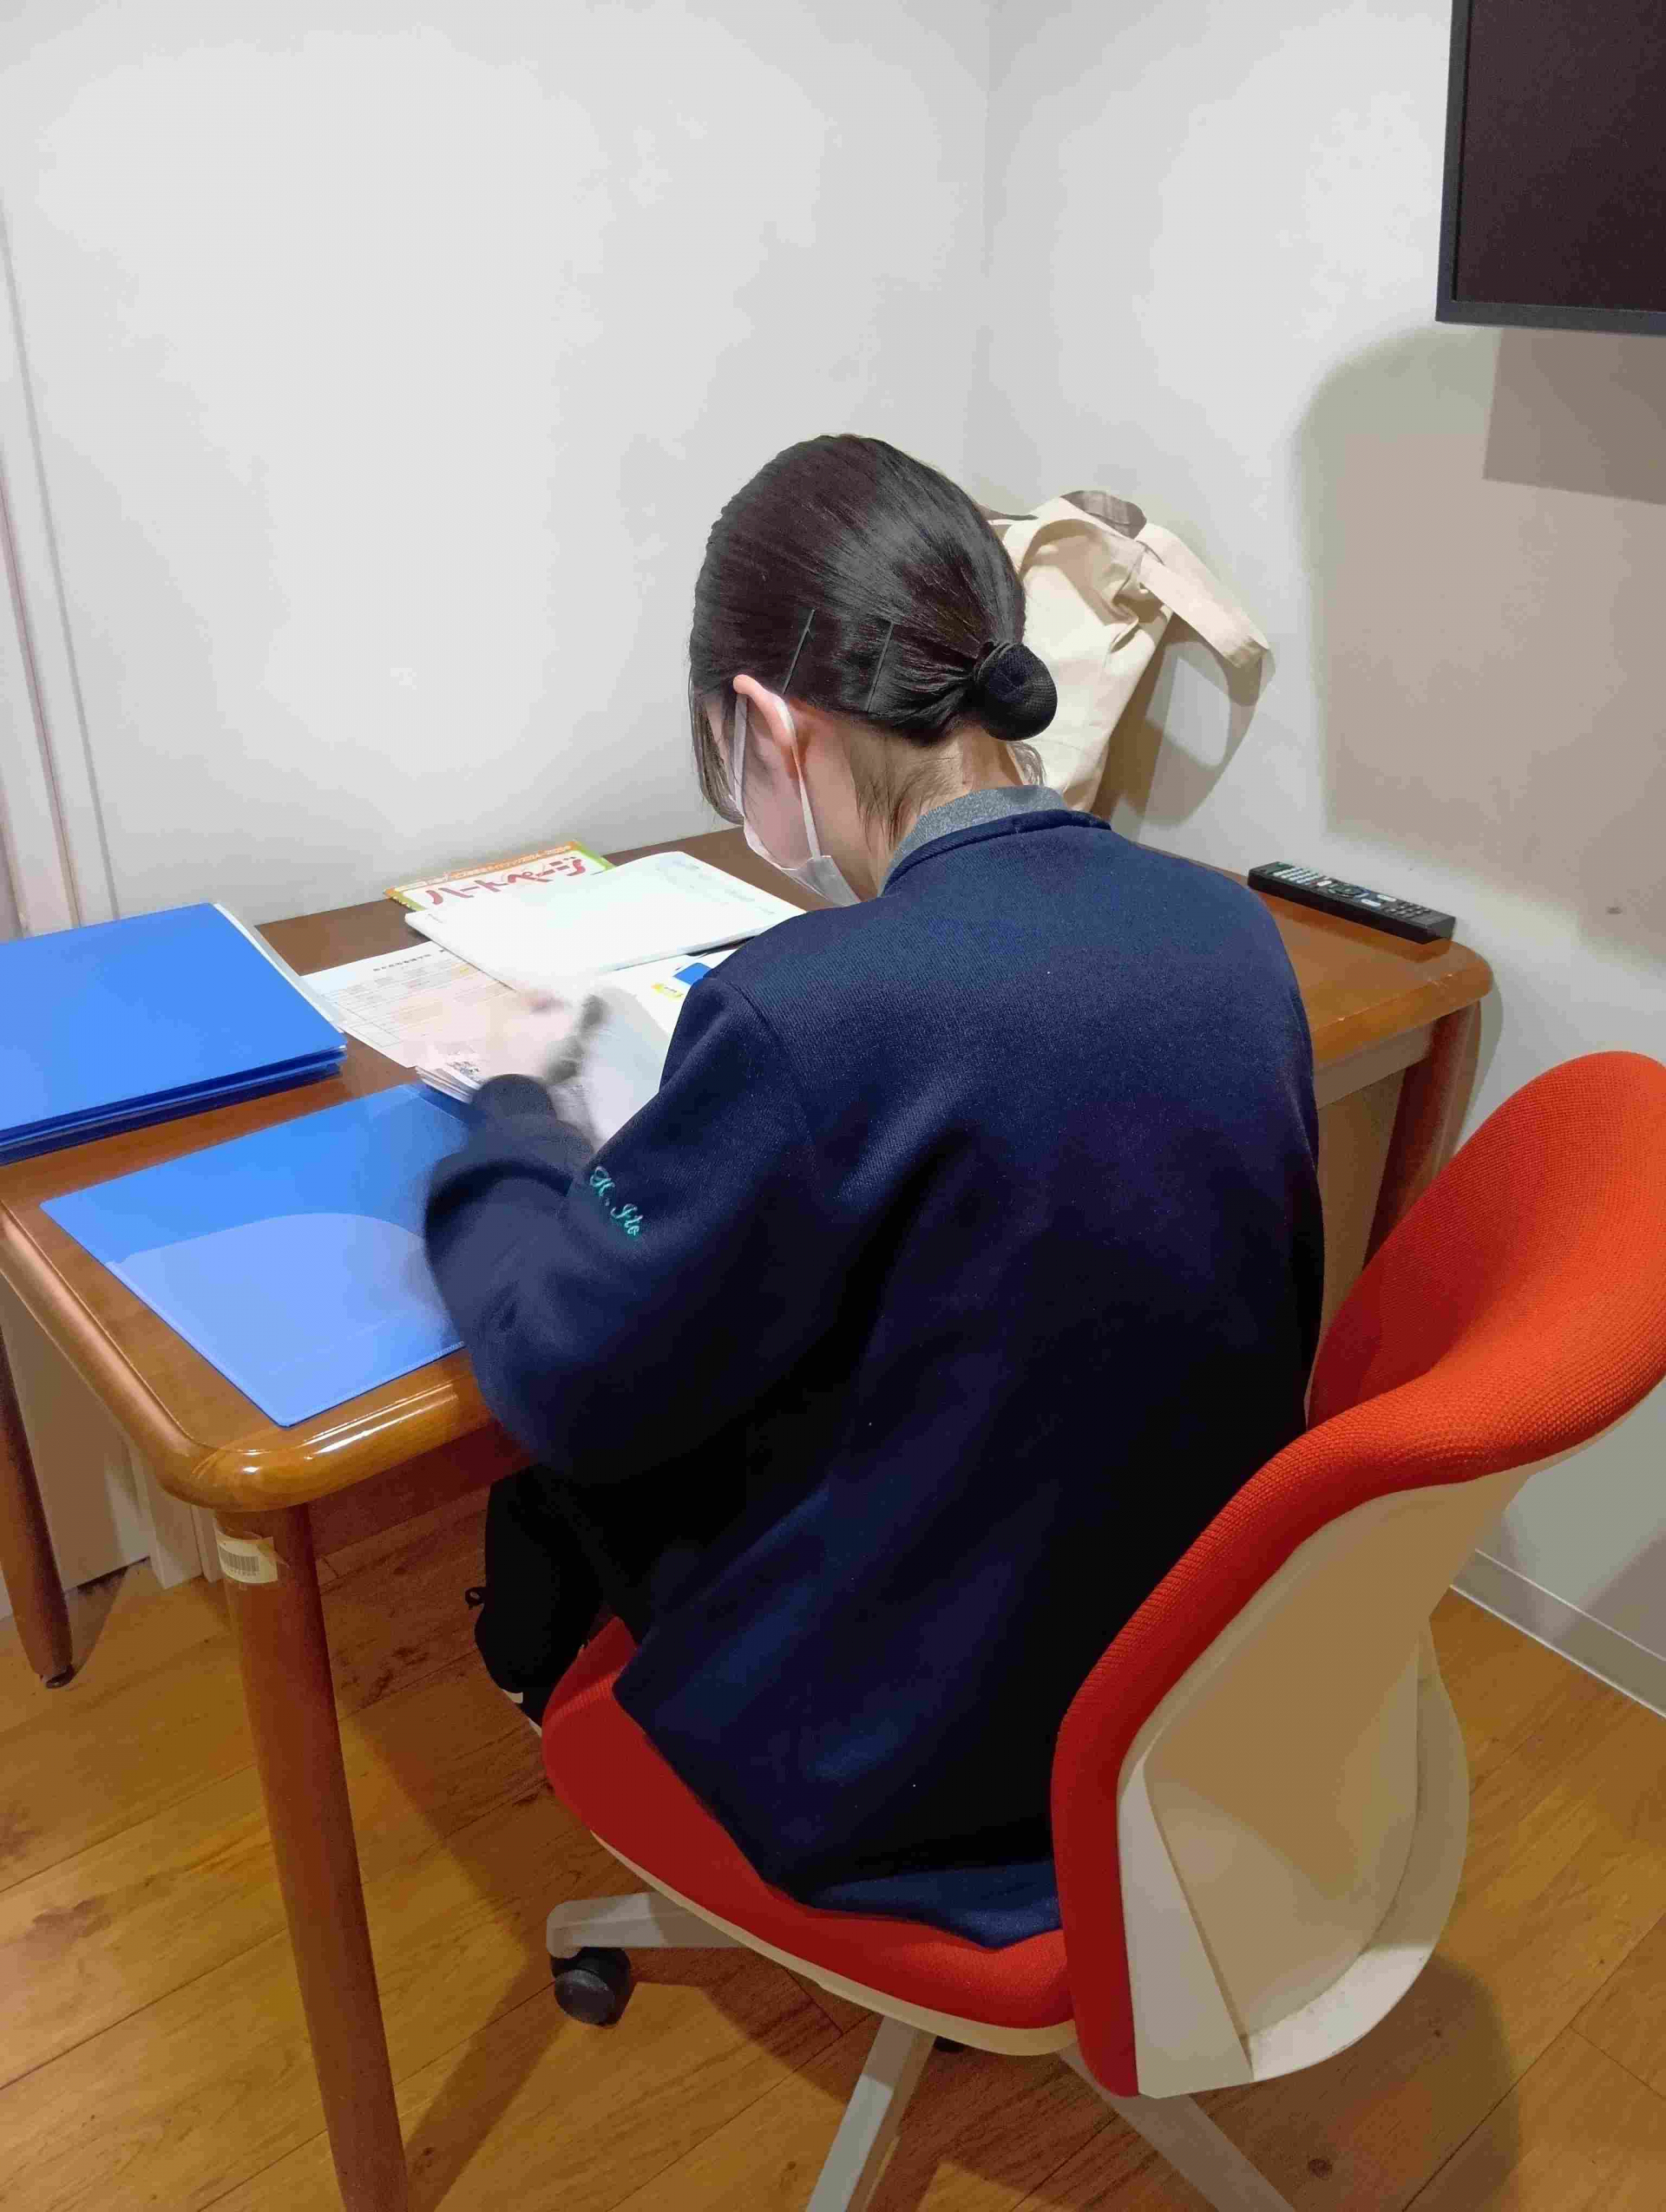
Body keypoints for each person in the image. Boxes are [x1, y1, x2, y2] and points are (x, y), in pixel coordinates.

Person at [423, 433, 1324, 1947]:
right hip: (1182, 1691)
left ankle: (544, 1676)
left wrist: (508, 1114)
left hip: (912, 1772)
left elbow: (565, 1364)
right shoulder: (1231, 933)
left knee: (578, 1452)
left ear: (771, 726)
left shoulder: (813, 1007)